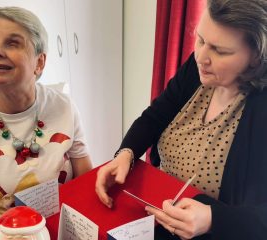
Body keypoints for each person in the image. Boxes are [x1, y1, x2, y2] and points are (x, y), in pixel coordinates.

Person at [95, 0, 267, 239]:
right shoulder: (197, 70)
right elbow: (154, 117)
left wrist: (211, 219)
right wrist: (126, 154)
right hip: (156, 215)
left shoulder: (260, 110)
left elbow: (261, 219)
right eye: (201, 40)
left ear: (256, 58)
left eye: (220, 51)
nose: (201, 57)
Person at [0, 6, 92, 233]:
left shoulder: (64, 106)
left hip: (62, 226)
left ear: (39, 62)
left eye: (12, 43)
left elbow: (86, 183)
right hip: (0, 233)